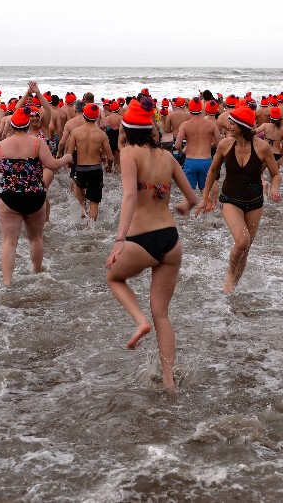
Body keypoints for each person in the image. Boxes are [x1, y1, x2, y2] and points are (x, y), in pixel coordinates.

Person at [106, 97, 198, 393]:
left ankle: (138, 321)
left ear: (127, 129)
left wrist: (119, 240)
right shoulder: (168, 158)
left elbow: (131, 197)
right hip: (170, 240)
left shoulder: (129, 153)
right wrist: (182, 207)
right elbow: (192, 198)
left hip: (140, 238)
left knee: (114, 277)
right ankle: (170, 383)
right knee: (163, 314)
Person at [0, 107, 73, 286]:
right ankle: (37, 272)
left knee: (9, 242)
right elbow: (51, 165)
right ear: (26, 125)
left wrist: (6, 168)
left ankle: (8, 282)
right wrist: (66, 158)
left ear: (12, 125)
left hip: (9, 197)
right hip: (35, 195)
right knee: (36, 238)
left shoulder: (1, 146)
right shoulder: (37, 143)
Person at [196, 104, 282, 292]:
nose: (228, 125)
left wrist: (274, 187)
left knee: (246, 249)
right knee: (242, 241)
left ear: (242, 126)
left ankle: (232, 287)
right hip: (230, 200)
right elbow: (212, 171)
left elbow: (276, 174)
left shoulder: (262, 147)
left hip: (254, 202)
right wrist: (204, 198)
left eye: (232, 123)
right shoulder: (224, 145)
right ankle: (229, 275)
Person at [65, 102, 114, 222]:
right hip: (95, 169)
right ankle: (90, 229)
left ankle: (83, 207)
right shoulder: (102, 134)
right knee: (94, 203)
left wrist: (70, 164)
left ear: (84, 115)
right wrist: (109, 167)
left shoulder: (76, 132)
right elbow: (111, 157)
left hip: (80, 168)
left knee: (77, 185)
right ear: (96, 116)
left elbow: (69, 155)